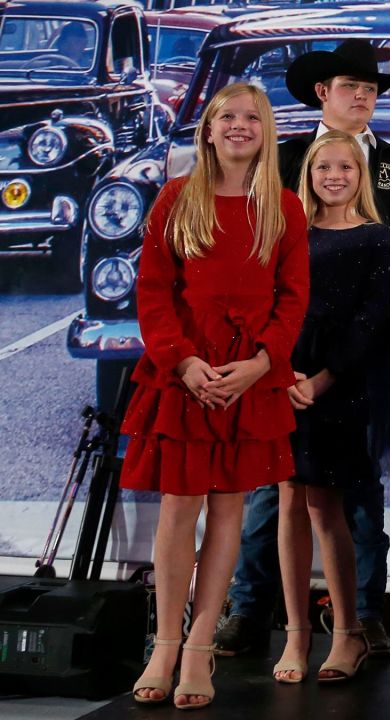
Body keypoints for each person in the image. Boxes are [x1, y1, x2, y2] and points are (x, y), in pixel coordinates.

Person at [216, 39, 390, 658]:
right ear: (322, 94)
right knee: (269, 484)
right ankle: (251, 609)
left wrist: (362, 325)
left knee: (357, 480)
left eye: (371, 88)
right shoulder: (277, 160)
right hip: (276, 350)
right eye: (350, 86)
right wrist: (271, 346)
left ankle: (361, 616)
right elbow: (252, 247)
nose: (362, 96)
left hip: (365, 350)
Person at [124, 82, 308, 709]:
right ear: (206, 129)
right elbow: (152, 291)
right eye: (226, 117)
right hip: (188, 376)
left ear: (267, 131)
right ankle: (166, 644)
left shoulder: (284, 207)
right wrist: (183, 362)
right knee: (180, 508)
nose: (238, 126)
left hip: (247, 379)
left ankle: (201, 646)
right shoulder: (178, 198)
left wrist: (260, 365)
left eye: (251, 117)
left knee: (228, 512)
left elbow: (292, 300)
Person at [272, 131, 390, 684]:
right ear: (309, 173)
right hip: (283, 380)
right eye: (324, 166)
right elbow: (272, 307)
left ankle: (347, 633)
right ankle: (296, 635)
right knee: (287, 507)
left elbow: (370, 322)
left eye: (345, 167)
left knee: (327, 510)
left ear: (360, 174)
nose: (334, 176)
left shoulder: (377, 238)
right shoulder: (287, 233)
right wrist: (280, 375)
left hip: (339, 382)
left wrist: (321, 381)